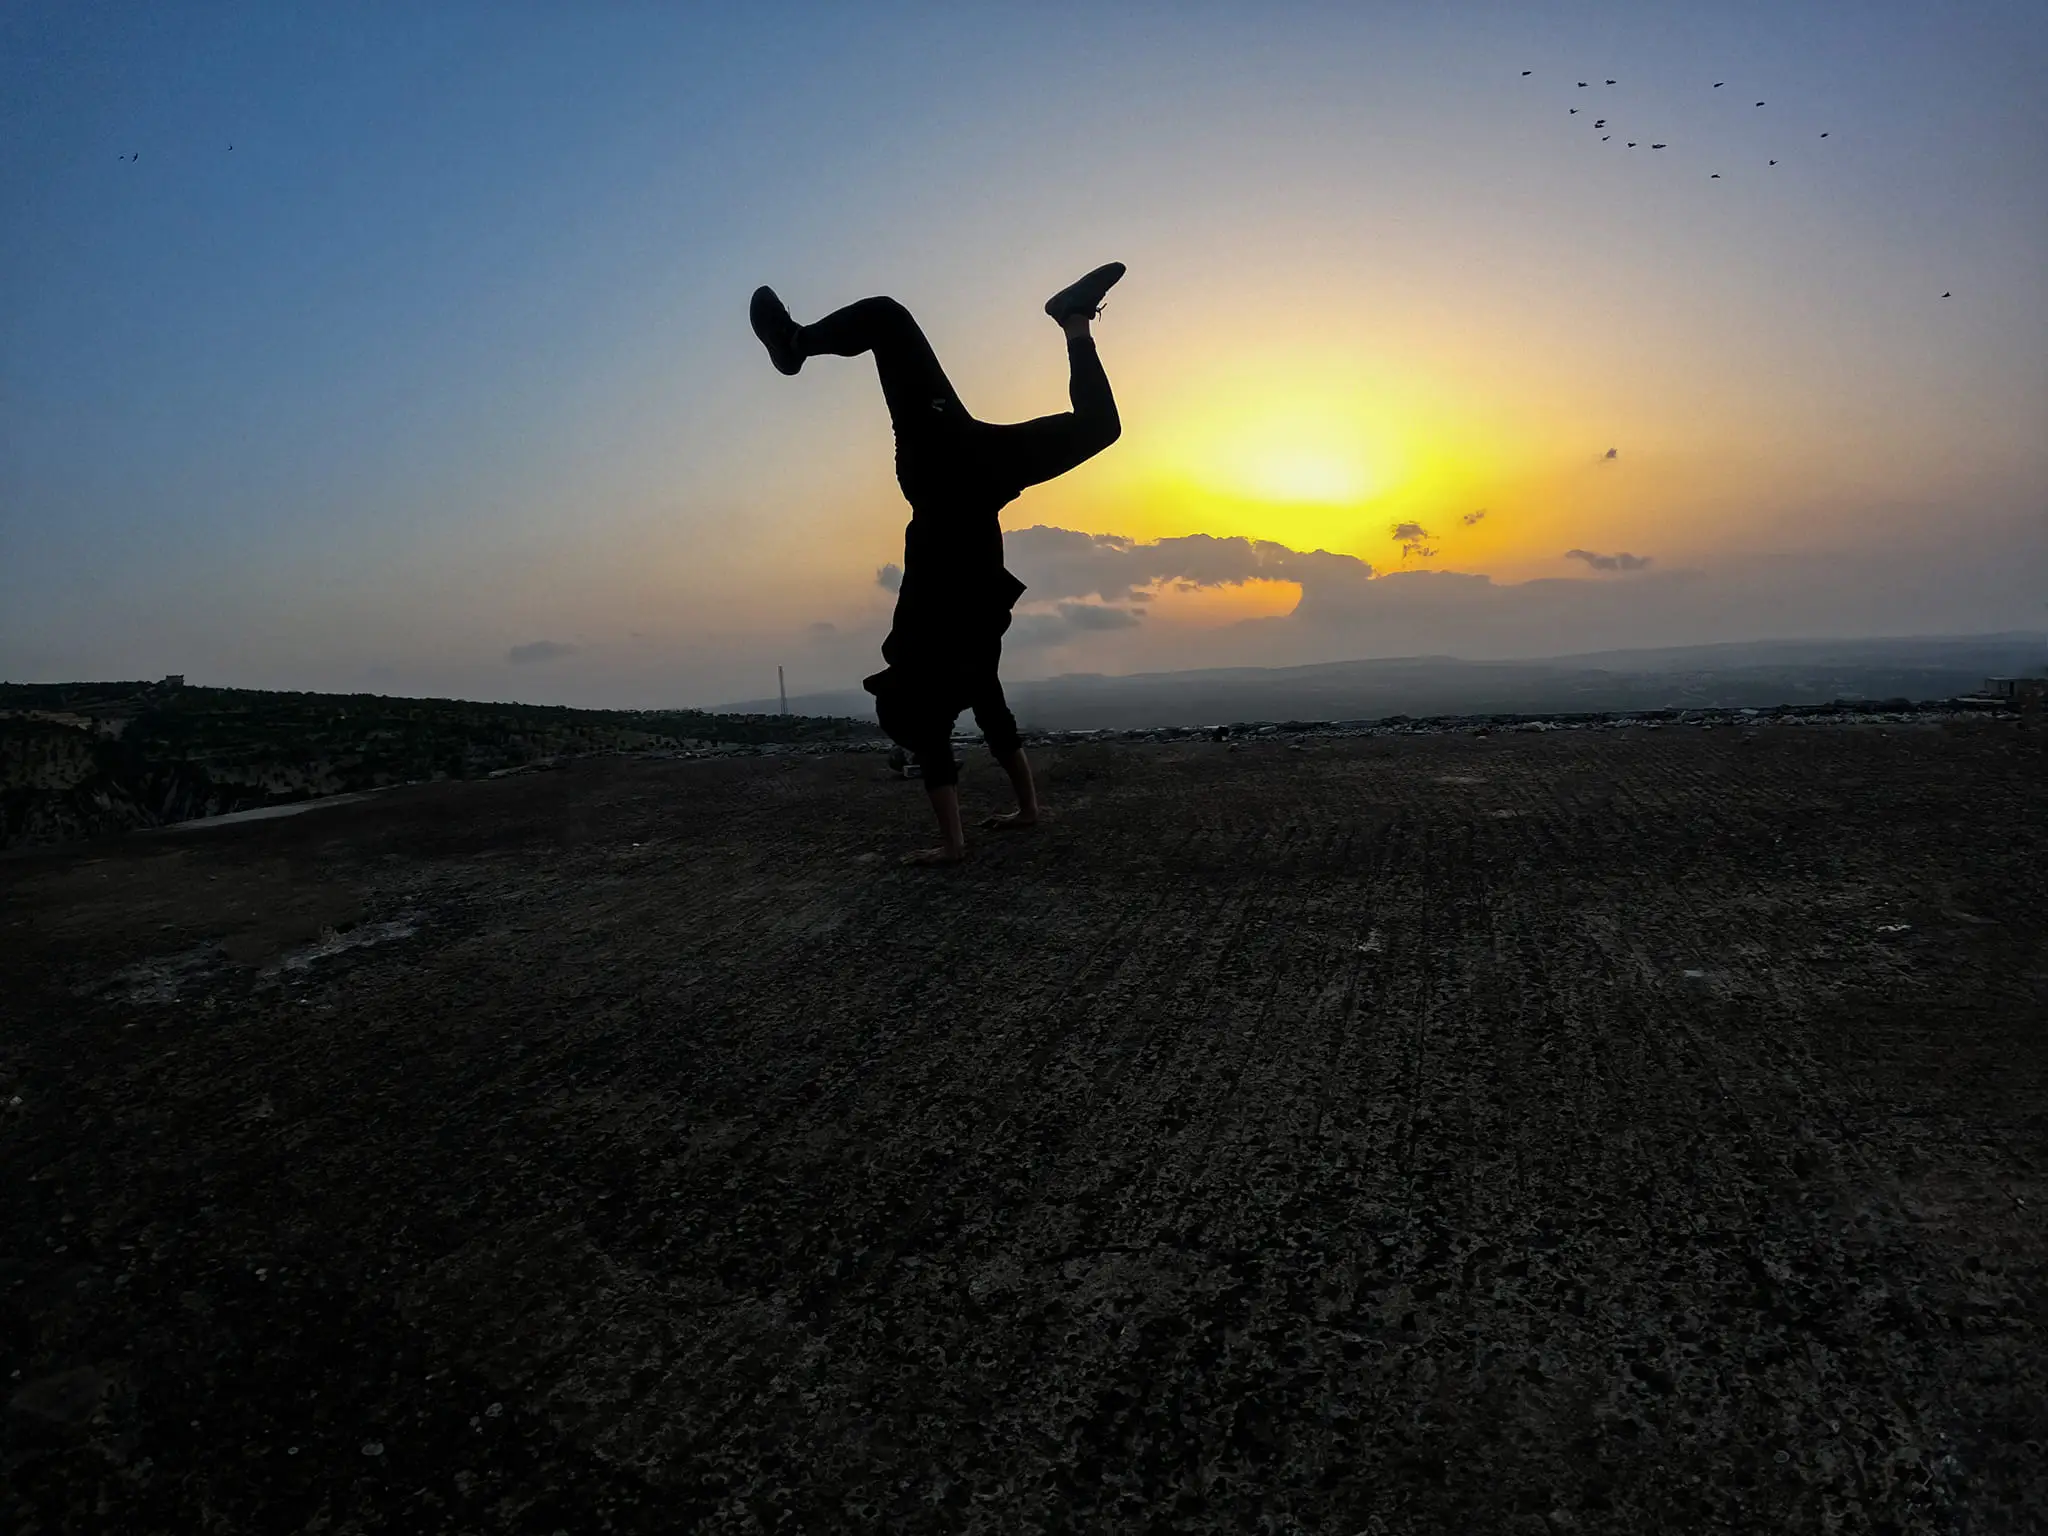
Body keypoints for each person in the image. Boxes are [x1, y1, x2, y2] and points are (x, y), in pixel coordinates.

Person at [748, 263, 1126, 863]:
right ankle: (1073, 318)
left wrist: (977, 835)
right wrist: (990, 829)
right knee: (889, 319)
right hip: (963, 469)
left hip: (965, 472)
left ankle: (795, 345)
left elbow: (967, 741)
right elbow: (957, 743)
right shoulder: (937, 655)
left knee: (890, 320)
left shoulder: (966, 659)